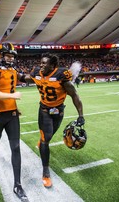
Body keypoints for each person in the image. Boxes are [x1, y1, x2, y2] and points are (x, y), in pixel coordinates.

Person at [20, 53, 85, 188]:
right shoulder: (37, 72)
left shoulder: (61, 76)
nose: (42, 65)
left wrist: (81, 116)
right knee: (45, 140)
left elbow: (74, 95)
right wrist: (15, 75)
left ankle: (43, 140)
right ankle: (45, 171)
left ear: (53, 65)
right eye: (41, 63)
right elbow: (26, 78)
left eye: (45, 63)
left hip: (58, 111)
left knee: (50, 135)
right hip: (44, 111)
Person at [0, 43, 28, 201]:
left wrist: (42, 75)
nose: (11, 58)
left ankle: (17, 185)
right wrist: (12, 97)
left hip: (12, 114)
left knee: (15, 147)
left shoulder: (13, 70)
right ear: (0, 55)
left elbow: (24, 78)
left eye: (12, 55)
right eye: (8, 55)